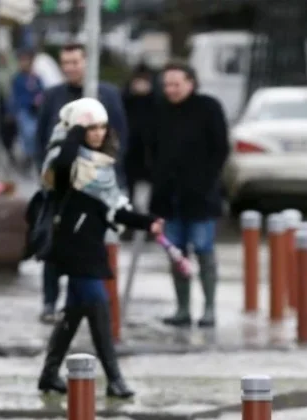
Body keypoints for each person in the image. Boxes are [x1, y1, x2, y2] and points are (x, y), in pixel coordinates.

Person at [36, 97, 162, 398]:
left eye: (102, 127)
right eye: (90, 128)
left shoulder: (102, 166)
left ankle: (49, 374)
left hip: (92, 245)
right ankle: (115, 379)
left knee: (75, 312)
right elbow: (64, 168)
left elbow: (113, 209)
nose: (97, 133)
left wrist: (148, 222)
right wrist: (74, 134)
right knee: (98, 305)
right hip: (71, 246)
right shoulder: (63, 159)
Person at [34, 42, 129, 324]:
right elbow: (42, 140)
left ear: (87, 63)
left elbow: (120, 137)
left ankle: (85, 303)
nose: (70, 68)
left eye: (75, 62)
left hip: (96, 186)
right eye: (65, 63)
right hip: (62, 187)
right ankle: (51, 302)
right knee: (54, 247)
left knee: (92, 247)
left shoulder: (107, 95)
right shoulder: (53, 97)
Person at [149, 61, 229, 329]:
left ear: (190, 83)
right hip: (168, 199)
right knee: (176, 254)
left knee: (204, 251)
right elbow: (149, 149)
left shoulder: (208, 108)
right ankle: (182, 308)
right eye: (167, 85)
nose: (170, 90)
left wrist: (206, 181)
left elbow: (220, 149)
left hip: (201, 197)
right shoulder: (159, 111)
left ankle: (209, 308)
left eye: (176, 84)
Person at [121, 64, 157, 210]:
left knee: (142, 204)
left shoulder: (156, 103)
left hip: (147, 163)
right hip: (128, 160)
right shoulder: (124, 101)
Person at [9, 49, 44, 165]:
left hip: (35, 112)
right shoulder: (17, 79)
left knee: (33, 134)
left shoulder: (36, 78)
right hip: (23, 111)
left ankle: (31, 155)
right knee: (27, 133)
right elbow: (15, 97)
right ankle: (27, 155)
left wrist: (38, 99)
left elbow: (41, 92)